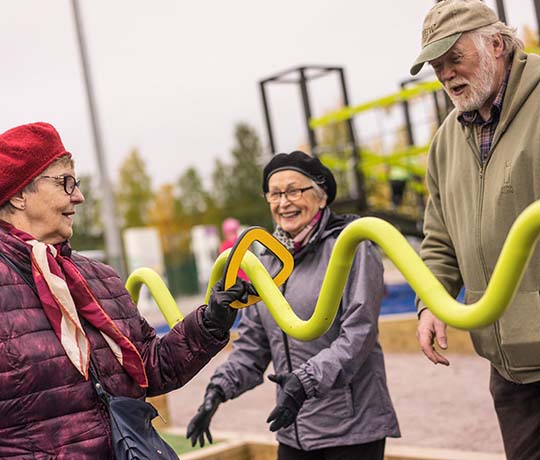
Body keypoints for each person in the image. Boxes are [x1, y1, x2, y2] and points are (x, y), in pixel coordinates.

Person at [0, 121, 250, 458]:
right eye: (65, 182)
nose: (79, 195)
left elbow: (150, 368)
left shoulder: (98, 277)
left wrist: (211, 322)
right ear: (18, 195)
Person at [187, 150, 400, 460]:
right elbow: (253, 345)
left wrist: (305, 381)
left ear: (322, 196)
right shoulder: (268, 263)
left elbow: (359, 335)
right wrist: (217, 391)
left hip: (351, 429)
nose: (283, 202)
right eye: (274, 194)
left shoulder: (352, 248)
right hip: (293, 428)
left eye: (293, 190)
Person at [410, 1, 540, 458]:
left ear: (497, 45)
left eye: (454, 58)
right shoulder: (446, 141)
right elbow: (440, 237)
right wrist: (432, 302)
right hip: (509, 367)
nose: (446, 75)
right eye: (437, 66)